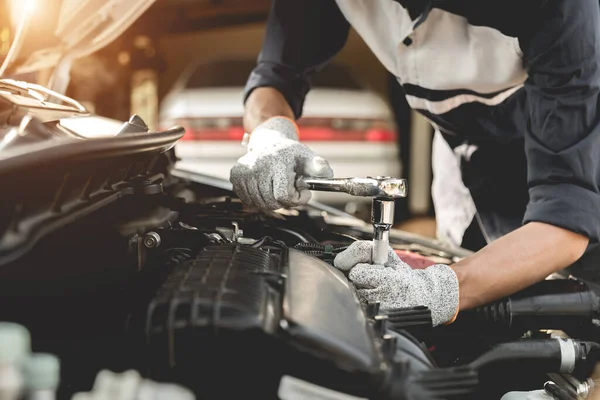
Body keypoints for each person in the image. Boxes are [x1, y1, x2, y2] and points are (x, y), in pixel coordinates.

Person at [230, 0, 600, 326]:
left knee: (586, 311)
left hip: (582, 150)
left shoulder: (560, 7)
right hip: (468, 160)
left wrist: (438, 290)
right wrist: (271, 135)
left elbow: (566, 216)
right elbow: (276, 75)